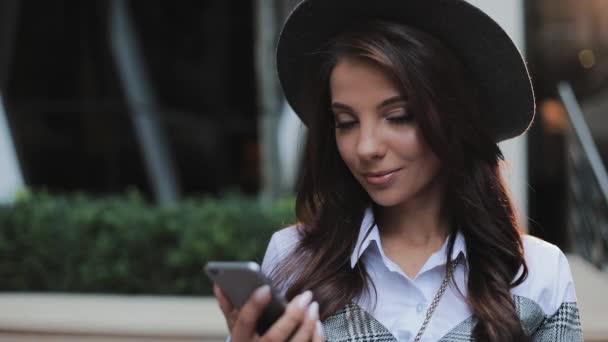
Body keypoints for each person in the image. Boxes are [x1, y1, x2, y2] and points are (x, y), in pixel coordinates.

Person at [213, 0, 583, 341]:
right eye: (345, 122)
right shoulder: (293, 259)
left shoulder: (538, 274)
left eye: (398, 116)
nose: (366, 147)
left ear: (453, 118)